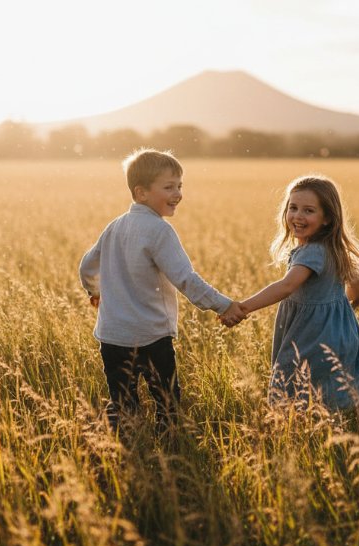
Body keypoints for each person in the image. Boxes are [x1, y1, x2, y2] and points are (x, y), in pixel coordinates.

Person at [80, 148, 245, 433]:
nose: (178, 194)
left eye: (179, 186)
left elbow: (87, 265)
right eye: (169, 187)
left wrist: (94, 291)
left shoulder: (114, 226)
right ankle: (170, 452)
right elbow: (186, 280)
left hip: (112, 336)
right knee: (166, 402)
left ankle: (126, 450)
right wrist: (224, 305)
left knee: (123, 402)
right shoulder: (159, 231)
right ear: (141, 193)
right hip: (151, 336)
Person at [223, 175, 359, 410]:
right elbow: (356, 281)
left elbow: (286, 286)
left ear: (327, 219)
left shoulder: (312, 252)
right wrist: (352, 304)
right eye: (293, 208)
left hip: (312, 331)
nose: (298, 216)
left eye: (309, 210)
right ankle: (338, 416)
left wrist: (243, 307)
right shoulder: (336, 248)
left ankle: (296, 422)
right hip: (340, 328)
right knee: (330, 379)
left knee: (296, 376)